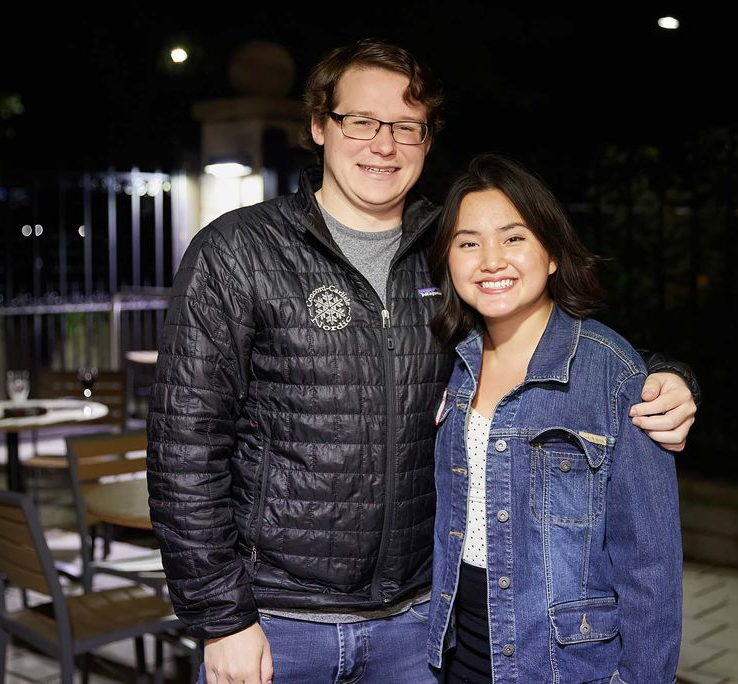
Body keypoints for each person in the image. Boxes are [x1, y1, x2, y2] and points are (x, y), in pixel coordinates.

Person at [146, 39, 696, 684]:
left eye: (407, 126)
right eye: (362, 121)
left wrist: (666, 374)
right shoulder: (237, 251)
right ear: (320, 127)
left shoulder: (451, 244)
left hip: (418, 628)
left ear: (427, 139)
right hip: (276, 624)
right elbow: (184, 446)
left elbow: (549, 335)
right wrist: (222, 620)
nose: (385, 144)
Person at [425, 154, 682, 682]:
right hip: (454, 651)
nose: (490, 260)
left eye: (513, 238)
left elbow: (650, 568)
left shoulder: (611, 374)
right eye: (468, 242)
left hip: (560, 663)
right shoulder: (451, 362)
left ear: (551, 255)